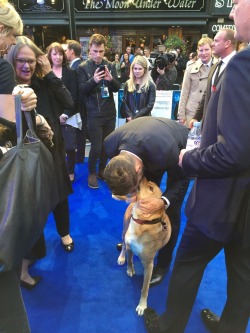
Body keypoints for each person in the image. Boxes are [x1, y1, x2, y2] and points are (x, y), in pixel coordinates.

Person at [143, 2, 250, 332]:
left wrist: (189, 159)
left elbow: (234, 153)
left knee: (188, 263)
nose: (232, 12)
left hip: (221, 201)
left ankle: (170, 326)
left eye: (238, 3)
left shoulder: (242, 65)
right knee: (243, 276)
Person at [7, 36, 75, 254]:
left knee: (59, 195)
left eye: (31, 61)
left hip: (51, 151)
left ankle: (64, 233)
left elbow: (69, 102)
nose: (26, 66)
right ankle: (30, 249)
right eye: (21, 60)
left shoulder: (44, 82)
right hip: (20, 155)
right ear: (12, 60)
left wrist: (48, 74)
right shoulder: (5, 87)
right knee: (27, 204)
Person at [103, 117, 190, 287]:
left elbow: (180, 180)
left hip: (175, 144)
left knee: (170, 210)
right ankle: (138, 239)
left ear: (138, 170)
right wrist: (132, 195)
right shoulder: (109, 144)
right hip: (146, 146)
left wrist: (163, 201)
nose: (133, 194)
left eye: (133, 188)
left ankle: (163, 264)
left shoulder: (167, 152)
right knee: (141, 200)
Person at [0, 0, 42, 331]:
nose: (12, 48)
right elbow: (10, 117)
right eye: (13, 39)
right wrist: (22, 106)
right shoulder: (2, 69)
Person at [77, 33, 120, 189]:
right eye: (95, 51)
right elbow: (81, 90)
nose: (98, 55)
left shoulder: (111, 65)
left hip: (109, 112)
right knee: (96, 147)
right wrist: (94, 80)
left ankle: (102, 170)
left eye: (101, 51)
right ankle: (92, 173)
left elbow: (117, 88)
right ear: (90, 49)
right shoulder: (83, 68)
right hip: (93, 113)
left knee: (107, 146)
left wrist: (110, 80)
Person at [189, 29, 237, 129]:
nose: (212, 44)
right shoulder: (215, 66)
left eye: (216, 41)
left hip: (229, 129)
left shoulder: (240, 65)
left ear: (227, 43)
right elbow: (208, 93)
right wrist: (197, 117)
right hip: (209, 126)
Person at [47, 41, 78, 182]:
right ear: (49, 55)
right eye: (55, 54)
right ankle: (57, 172)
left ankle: (70, 170)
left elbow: (74, 96)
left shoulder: (70, 72)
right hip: (51, 116)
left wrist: (65, 113)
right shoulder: (45, 74)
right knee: (54, 147)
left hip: (68, 115)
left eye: (61, 54)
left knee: (70, 147)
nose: (58, 57)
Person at [177, 37, 216, 128]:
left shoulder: (217, 67)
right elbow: (184, 92)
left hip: (209, 112)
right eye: (201, 50)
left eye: (206, 49)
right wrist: (181, 115)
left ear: (211, 50)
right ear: (197, 52)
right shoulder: (190, 68)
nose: (204, 53)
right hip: (191, 113)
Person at [65, 39, 86, 165]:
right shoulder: (79, 65)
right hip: (79, 107)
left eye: (66, 50)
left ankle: (78, 158)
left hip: (77, 107)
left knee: (78, 135)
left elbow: (77, 91)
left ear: (72, 51)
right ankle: (79, 157)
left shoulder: (75, 67)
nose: (65, 53)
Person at [120, 55, 156, 121]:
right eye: (135, 68)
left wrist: (135, 117)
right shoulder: (127, 84)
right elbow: (124, 102)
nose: (137, 71)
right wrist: (130, 116)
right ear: (132, 69)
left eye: (140, 69)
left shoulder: (150, 86)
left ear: (144, 70)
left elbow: (149, 106)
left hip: (144, 120)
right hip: (129, 120)